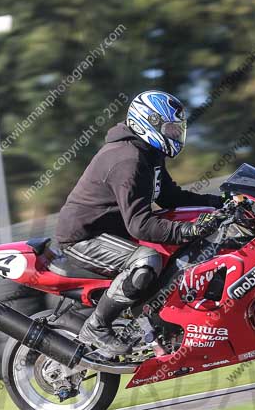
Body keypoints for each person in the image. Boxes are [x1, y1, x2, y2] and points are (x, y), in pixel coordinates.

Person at [55, 90, 224, 356]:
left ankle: (159, 324)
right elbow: (140, 225)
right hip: (84, 237)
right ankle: (97, 326)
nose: (174, 135)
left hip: (113, 231)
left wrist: (219, 202)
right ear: (148, 122)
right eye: (169, 129)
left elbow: (170, 197)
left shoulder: (149, 153)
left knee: (174, 254)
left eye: (177, 130)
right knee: (147, 262)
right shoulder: (127, 160)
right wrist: (188, 229)